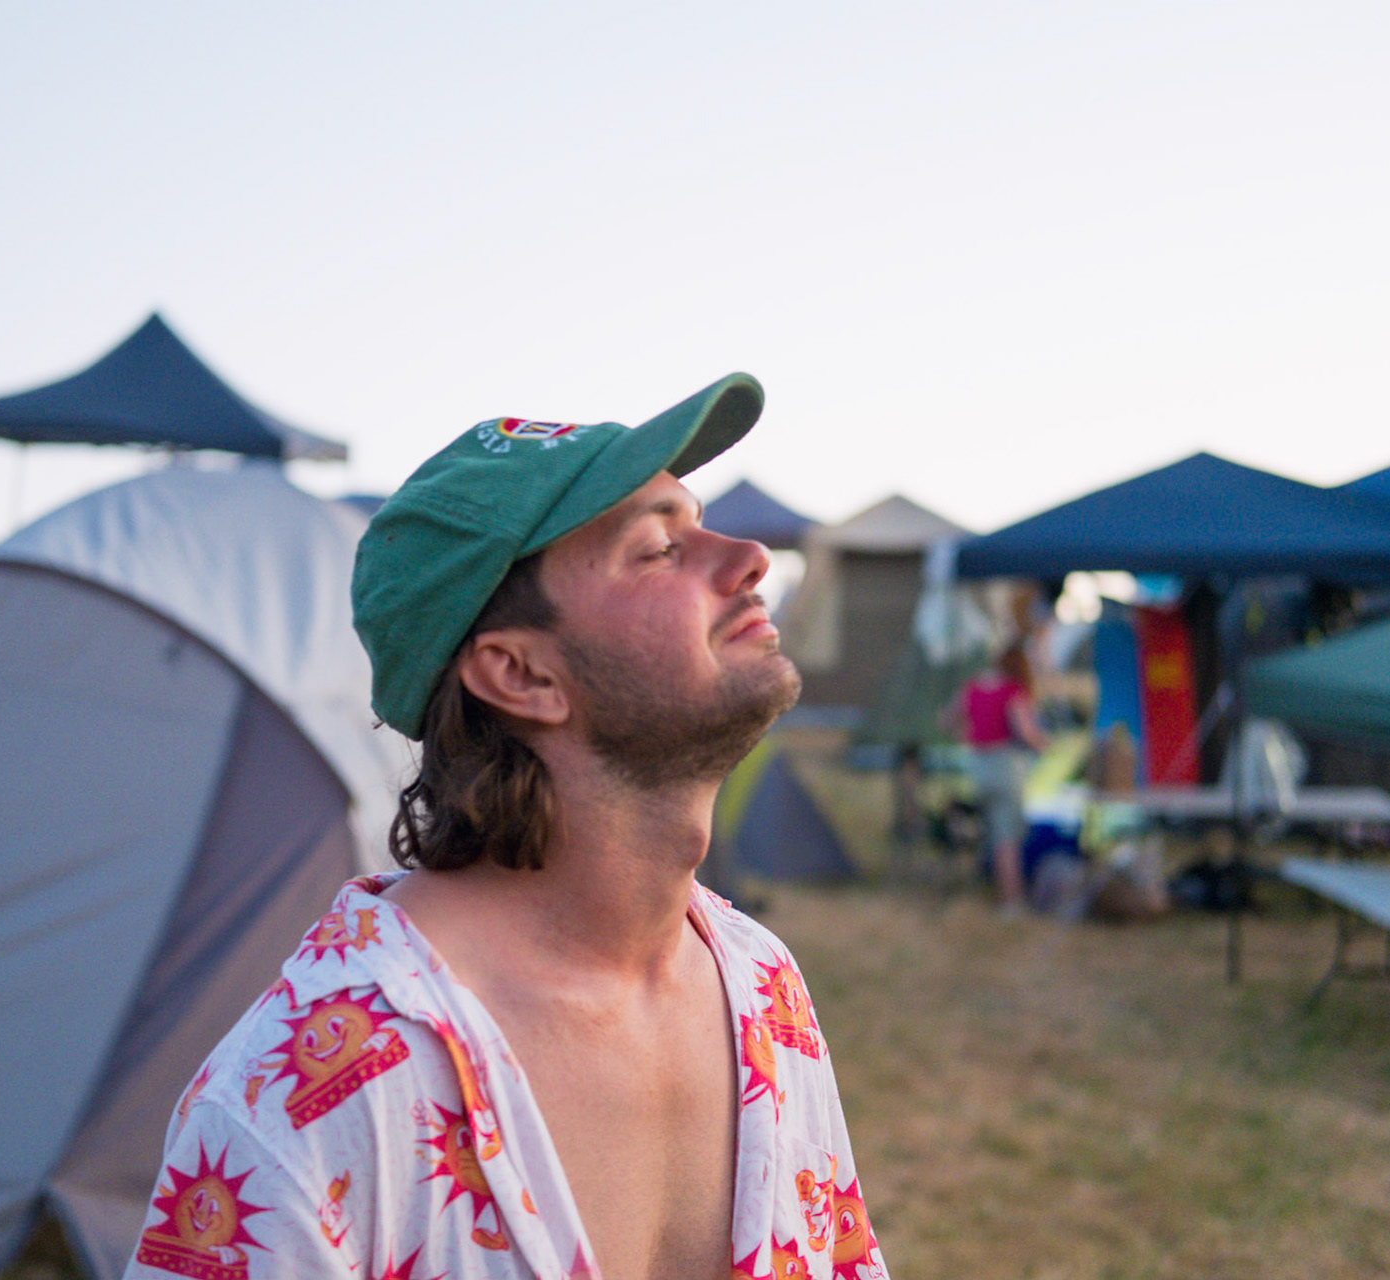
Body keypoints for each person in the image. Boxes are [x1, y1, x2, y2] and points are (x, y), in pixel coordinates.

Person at [123, 374, 889, 1280]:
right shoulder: (306, 1099)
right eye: (658, 548)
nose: (751, 557)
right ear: (521, 675)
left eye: (701, 521)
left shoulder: (762, 988)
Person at [953, 641, 1049, 911]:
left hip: (978, 767)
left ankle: (988, 890)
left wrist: (966, 735)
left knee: (992, 833)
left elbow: (948, 719)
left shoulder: (972, 687)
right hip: (1005, 767)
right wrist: (1044, 744)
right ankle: (1011, 901)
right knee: (1008, 839)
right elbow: (1024, 731)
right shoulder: (1012, 691)